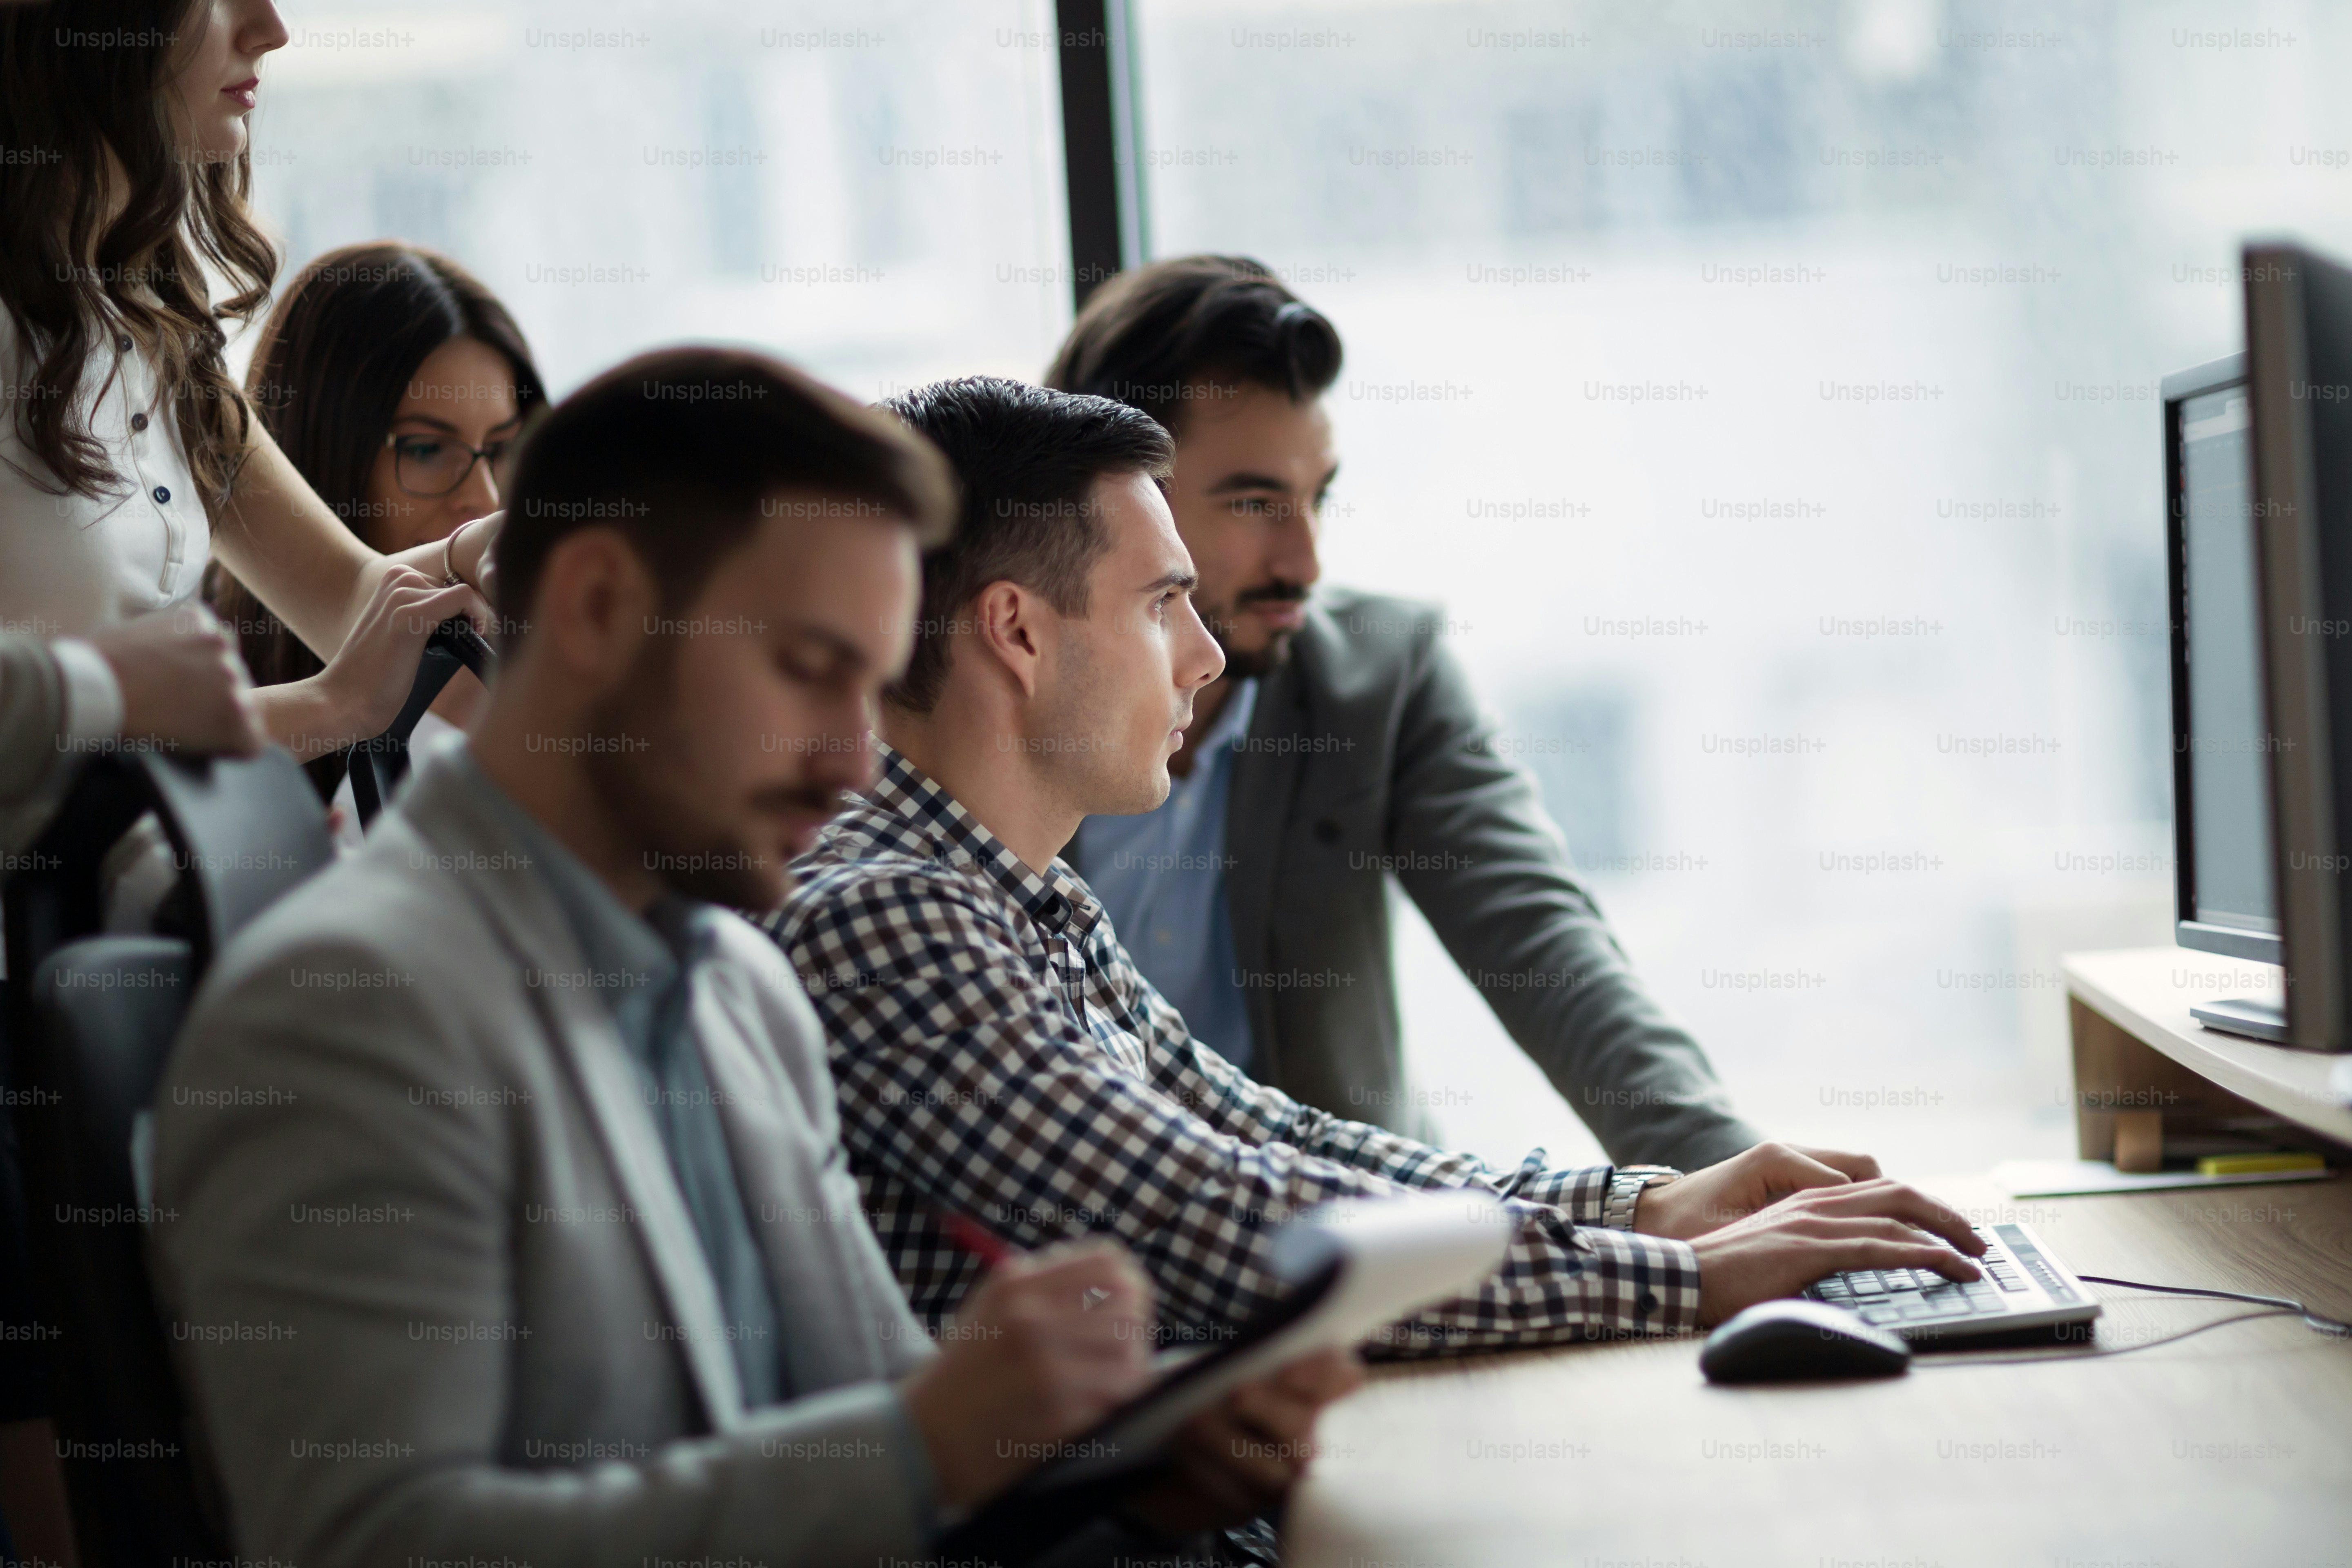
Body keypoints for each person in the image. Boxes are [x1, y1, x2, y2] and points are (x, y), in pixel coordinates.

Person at [152, 348, 1359, 1568]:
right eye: (811, 669)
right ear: (597, 608)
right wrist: (924, 1445)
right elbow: (379, 1548)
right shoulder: (342, 1015)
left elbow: (878, 1464)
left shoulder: (740, 993)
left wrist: (1131, 1474)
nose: (852, 760)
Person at [765, 376, 1987, 1355]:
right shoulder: (889, 915)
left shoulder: (1020, 896)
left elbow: (1275, 1142)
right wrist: (1681, 1278)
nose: (1202, 657)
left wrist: (1644, 1205)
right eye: (1159, 606)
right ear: (1018, 632)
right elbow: (1215, 1221)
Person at [1046, 256, 1763, 1169]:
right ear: (1118, 500)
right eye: (1257, 502)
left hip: (1352, 1246)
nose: (1305, 561)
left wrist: (1737, 1180)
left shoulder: (1382, 675)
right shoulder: (991, 704)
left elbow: (1544, 943)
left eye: (1318, 498)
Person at [0, 0, 497, 774]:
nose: (271, 29)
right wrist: (326, 708)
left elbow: (343, 599)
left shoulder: (156, 316)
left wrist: (482, 548)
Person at [206, 241, 545, 824]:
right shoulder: (201, 687)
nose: (485, 498)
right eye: (426, 449)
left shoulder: (541, 689)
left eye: (504, 449)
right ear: (317, 457)